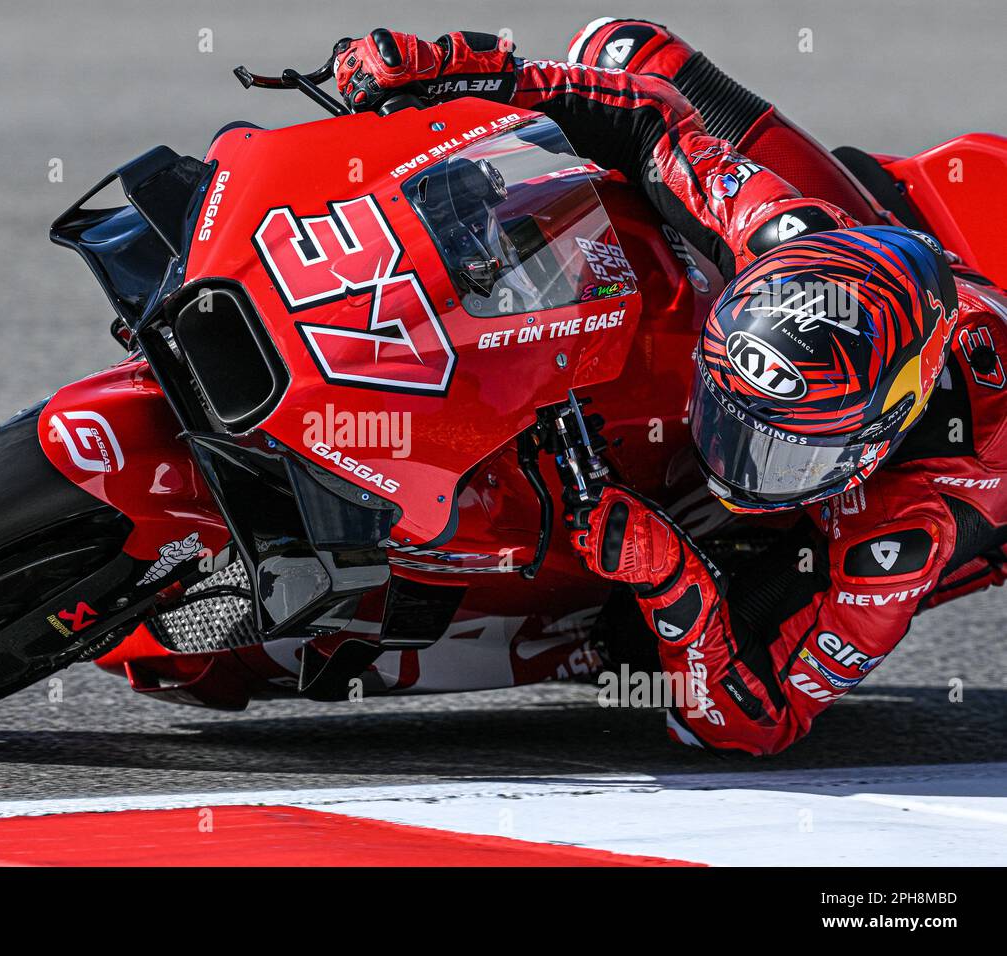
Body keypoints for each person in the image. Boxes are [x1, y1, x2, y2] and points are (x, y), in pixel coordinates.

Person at [333, 20, 1007, 754]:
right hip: (894, 252)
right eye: (726, 416)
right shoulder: (786, 234)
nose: (728, 457)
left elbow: (756, 723)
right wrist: (470, 74)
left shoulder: (906, 529)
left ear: (872, 440)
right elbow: (650, 119)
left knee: (636, 656)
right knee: (624, 53)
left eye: (779, 454)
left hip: (894, 496)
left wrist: (674, 583)